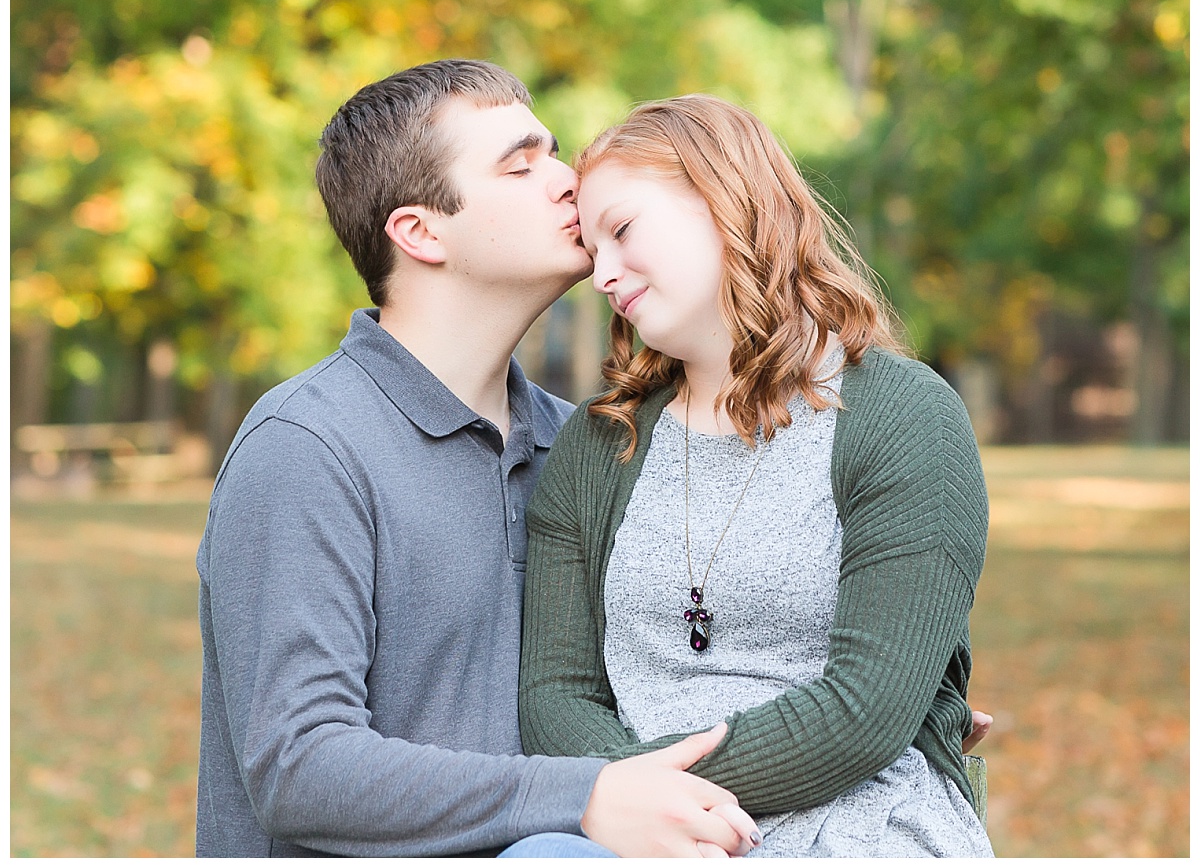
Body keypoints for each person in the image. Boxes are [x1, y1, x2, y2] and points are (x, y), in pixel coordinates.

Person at [194, 61, 761, 858]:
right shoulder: (307, 446)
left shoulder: (591, 443)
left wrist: (908, 709)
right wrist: (582, 797)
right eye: (521, 166)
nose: (569, 180)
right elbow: (299, 766)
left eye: (554, 153)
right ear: (421, 232)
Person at [518, 94, 995, 856]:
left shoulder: (905, 417)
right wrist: (628, 802)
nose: (603, 274)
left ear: (725, 197)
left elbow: (865, 711)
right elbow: (554, 696)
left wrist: (651, 788)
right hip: (633, 837)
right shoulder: (597, 446)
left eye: (624, 230)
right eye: (591, 249)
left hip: (859, 822)